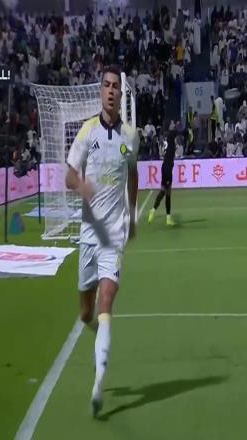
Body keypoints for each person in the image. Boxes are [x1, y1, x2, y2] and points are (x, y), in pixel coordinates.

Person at [65, 65, 139, 417]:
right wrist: (82, 186)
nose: (111, 91)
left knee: (106, 302)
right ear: (101, 92)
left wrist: (133, 216)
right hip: (88, 235)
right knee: (85, 313)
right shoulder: (87, 131)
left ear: (121, 95)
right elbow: (68, 175)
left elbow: (134, 175)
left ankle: (99, 383)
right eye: (106, 85)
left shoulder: (130, 136)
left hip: (113, 235)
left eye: (115, 87)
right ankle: (99, 336)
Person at [148, 129, 177, 226]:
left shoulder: (167, 143)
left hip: (165, 167)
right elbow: (176, 132)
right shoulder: (171, 144)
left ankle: (168, 218)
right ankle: (154, 210)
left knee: (166, 192)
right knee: (165, 192)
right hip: (168, 169)